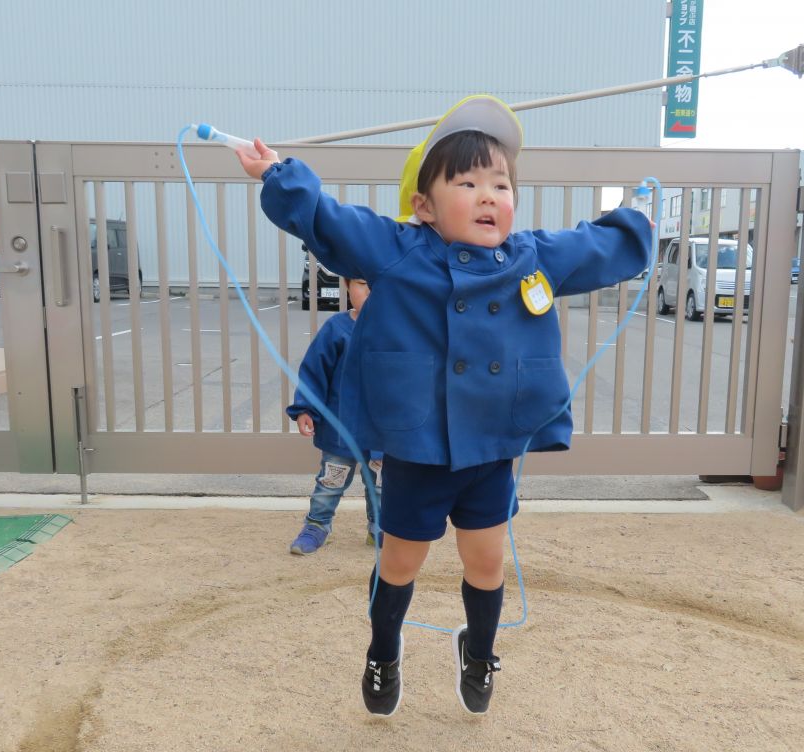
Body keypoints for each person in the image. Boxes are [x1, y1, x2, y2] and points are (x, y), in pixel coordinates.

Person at [237, 94, 652, 717]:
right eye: (467, 181)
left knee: (485, 561)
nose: (489, 194)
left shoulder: (531, 257)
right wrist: (278, 174)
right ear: (424, 205)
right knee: (401, 559)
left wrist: (639, 217)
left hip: (491, 449)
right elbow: (327, 219)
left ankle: (480, 650)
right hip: (418, 449)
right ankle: (383, 650)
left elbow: (596, 247)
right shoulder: (398, 250)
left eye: (500, 182)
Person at [286, 276, 382, 555]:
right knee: (330, 482)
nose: (372, 291)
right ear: (347, 286)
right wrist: (305, 408)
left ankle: (380, 527)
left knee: (382, 487)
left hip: (383, 434)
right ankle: (318, 525)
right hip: (342, 428)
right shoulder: (336, 329)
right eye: (363, 283)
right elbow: (314, 372)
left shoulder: (399, 331)